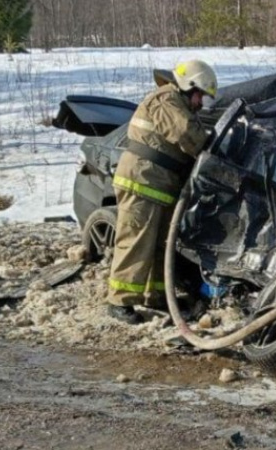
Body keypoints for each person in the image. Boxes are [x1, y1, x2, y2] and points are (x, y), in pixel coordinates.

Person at [106, 60, 218, 324]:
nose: (201, 104)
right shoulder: (165, 99)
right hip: (141, 180)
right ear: (189, 86)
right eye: (201, 96)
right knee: (135, 240)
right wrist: (214, 149)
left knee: (160, 246)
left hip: (160, 185)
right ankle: (119, 300)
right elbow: (186, 134)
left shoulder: (179, 103)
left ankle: (155, 296)